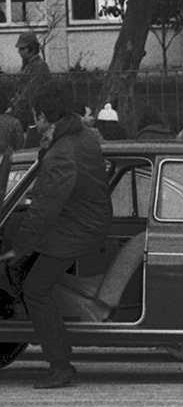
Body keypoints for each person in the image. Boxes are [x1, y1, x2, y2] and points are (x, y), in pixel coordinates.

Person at [0, 82, 111, 389]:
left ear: (42, 116)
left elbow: (45, 208)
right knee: (25, 265)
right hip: (84, 221)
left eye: (35, 117)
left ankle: (61, 365)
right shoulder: (80, 136)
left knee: (35, 288)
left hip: (78, 228)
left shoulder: (62, 152)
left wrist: (18, 248)